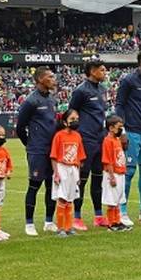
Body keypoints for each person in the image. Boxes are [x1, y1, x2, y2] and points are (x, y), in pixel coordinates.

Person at [114, 51, 141, 223]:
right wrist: (122, 131)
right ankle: (122, 211)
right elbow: (119, 105)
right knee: (129, 171)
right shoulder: (128, 80)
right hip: (131, 130)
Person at [66, 60, 109, 228]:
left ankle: (98, 215)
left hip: (100, 138)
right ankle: (76, 216)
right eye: (102, 70)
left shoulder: (103, 89)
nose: (105, 72)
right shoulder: (81, 91)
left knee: (98, 179)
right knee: (81, 179)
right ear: (92, 71)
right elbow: (72, 112)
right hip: (85, 139)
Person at [16, 67, 59, 236]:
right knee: (34, 185)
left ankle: (49, 221)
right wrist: (30, 144)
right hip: (37, 150)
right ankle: (29, 223)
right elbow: (20, 128)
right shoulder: (30, 101)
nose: (53, 79)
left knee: (52, 186)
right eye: (50, 76)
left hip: (52, 150)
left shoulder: (52, 99)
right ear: (40, 79)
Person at [49, 110, 85, 238]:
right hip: (62, 168)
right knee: (62, 198)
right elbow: (53, 156)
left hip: (73, 170)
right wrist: (56, 174)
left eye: (77, 118)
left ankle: (69, 227)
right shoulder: (59, 136)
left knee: (70, 199)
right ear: (65, 122)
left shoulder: (77, 136)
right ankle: (60, 228)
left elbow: (80, 157)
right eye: (72, 119)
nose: (75, 121)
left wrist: (78, 175)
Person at [100, 116, 131, 231]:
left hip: (120, 172)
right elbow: (107, 160)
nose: (121, 130)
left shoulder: (117, 140)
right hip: (113, 174)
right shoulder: (108, 141)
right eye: (119, 127)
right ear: (111, 128)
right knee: (112, 200)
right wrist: (112, 177)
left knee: (118, 199)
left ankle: (117, 221)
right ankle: (111, 223)